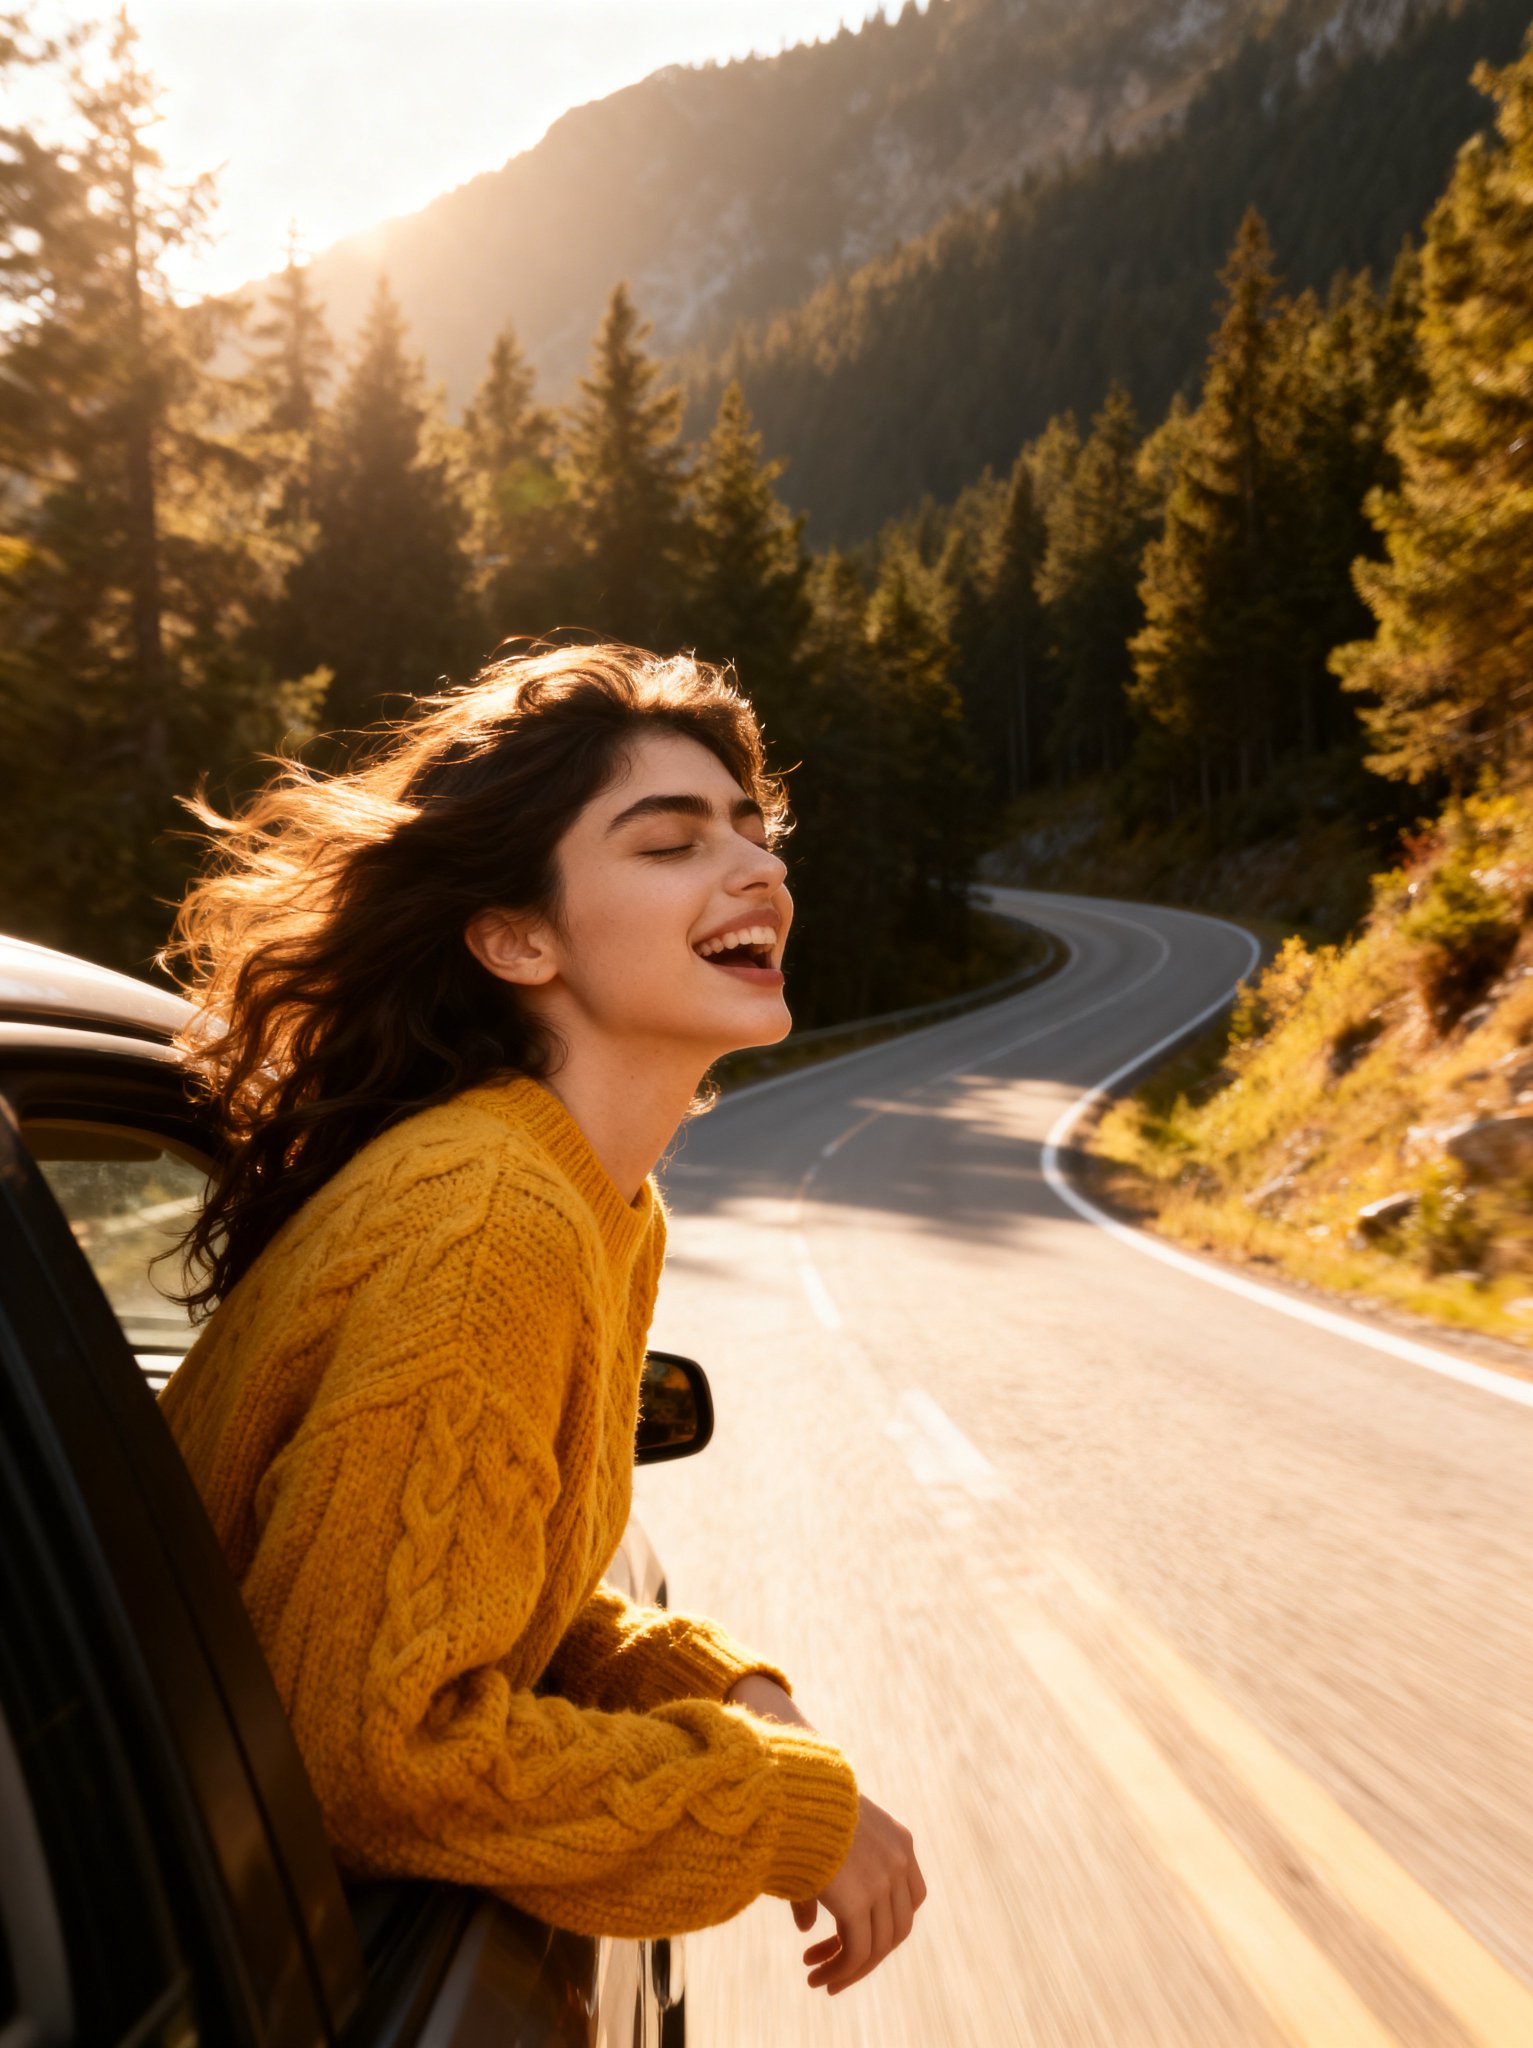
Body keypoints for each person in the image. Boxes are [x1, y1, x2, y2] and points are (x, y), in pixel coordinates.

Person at [156, 639, 927, 1996]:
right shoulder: (488, 1227)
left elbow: (463, 1594)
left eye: (751, 831)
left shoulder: (576, 1198)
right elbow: (370, 1752)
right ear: (517, 938)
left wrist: (711, 1684)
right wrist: (774, 1810)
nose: (758, 870)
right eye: (668, 843)